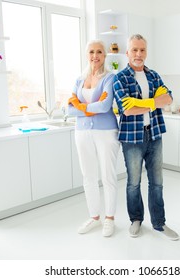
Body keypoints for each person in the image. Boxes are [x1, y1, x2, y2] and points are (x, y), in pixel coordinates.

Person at [113, 34, 179, 241]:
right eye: (134, 50)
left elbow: (168, 99)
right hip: (132, 138)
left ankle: (159, 223)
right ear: (127, 52)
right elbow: (127, 109)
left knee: (157, 182)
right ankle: (136, 220)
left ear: (146, 52)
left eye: (142, 50)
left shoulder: (154, 75)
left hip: (155, 133)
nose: (138, 54)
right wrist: (153, 101)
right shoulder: (120, 78)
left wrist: (143, 102)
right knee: (133, 182)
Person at [68, 40, 119, 237]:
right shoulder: (79, 80)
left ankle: (110, 218)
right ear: (87, 54)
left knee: (108, 176)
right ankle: (94, 217)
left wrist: (81, 107)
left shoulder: (109, 78)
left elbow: (105, 106)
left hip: (106, 132)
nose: (95, 56)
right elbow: (68, 109)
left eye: (99, 52)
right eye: (91, 52)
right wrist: (89, 108)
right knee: (88, 176)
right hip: (82, 132)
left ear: (105, 56)